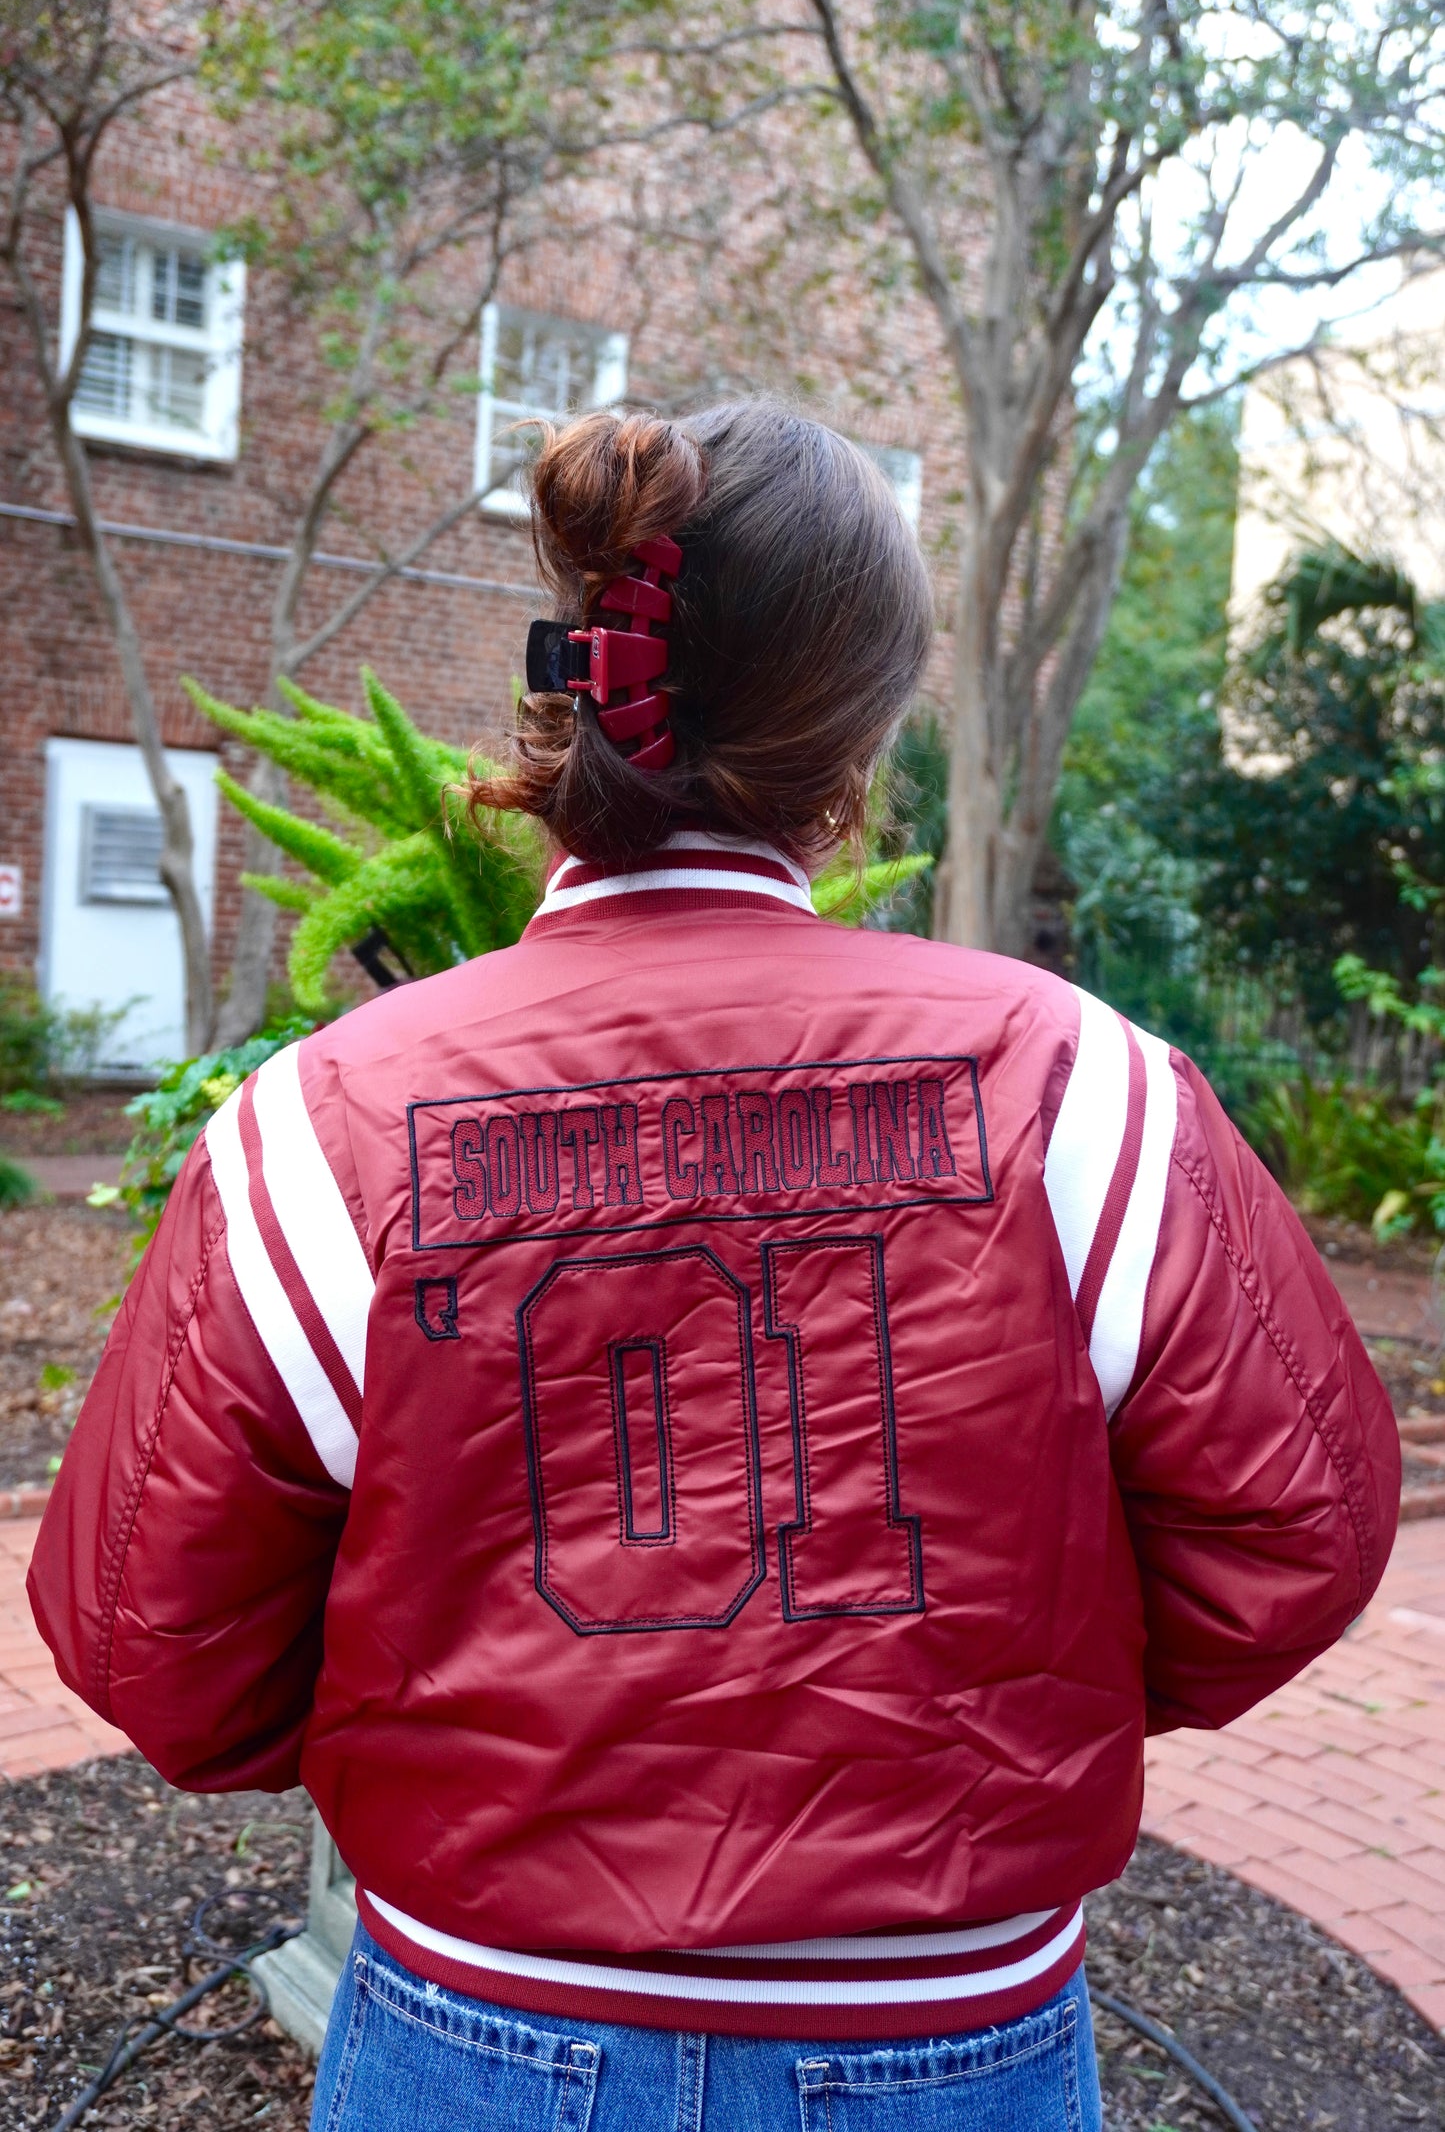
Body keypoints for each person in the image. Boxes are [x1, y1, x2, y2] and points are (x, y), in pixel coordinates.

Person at [29, 400, 1399, 2132]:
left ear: (565, 705)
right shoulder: (1086, 1093)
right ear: (858, 741)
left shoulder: (326, 1122)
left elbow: (150, 1627)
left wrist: (434, 1732)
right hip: (946, 2028)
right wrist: (1007, 1697)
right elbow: (1297, 1526)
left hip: (480, 2018)